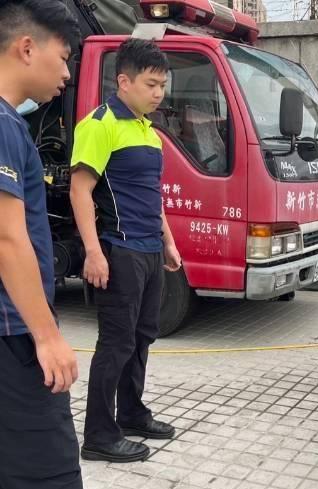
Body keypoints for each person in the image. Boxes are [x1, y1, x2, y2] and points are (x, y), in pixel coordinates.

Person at [0, 2, 165, 489]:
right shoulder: (4, 126)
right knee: (46, 459)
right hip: (14, 326)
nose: (68, 73)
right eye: (64, 57)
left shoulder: (10, 125)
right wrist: (46, 334)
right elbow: (7, 237)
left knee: (9, 453)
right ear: (25, 48)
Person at [70, 38, 181, 463]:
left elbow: (152, 196)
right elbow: (81, 191)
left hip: (151, 251)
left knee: (141, 338)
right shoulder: (100, 124)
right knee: (115, 343)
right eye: (151, 84)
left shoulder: (148, 131)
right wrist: (94, 253)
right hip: (119, 251)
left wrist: (168, 242)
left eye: (162, 85)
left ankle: (132, 414)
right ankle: (99, 434)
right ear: (124, 81)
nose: (159, 93)